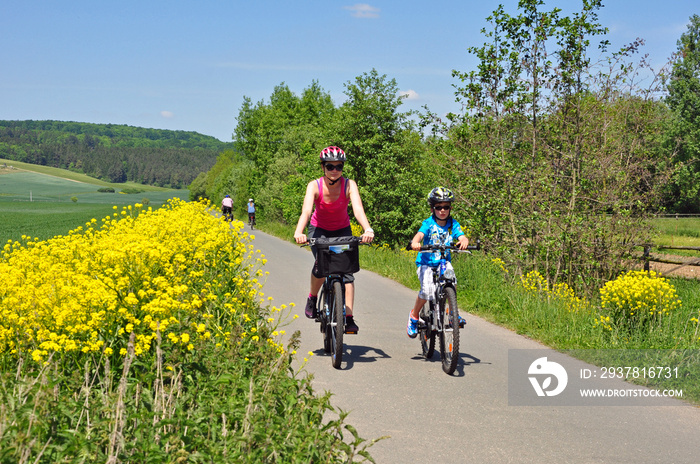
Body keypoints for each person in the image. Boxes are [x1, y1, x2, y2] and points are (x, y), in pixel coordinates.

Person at [294, 146, 374, 334]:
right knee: (321, 268)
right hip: (318, 230)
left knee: (347, 274)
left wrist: (367, 228)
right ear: (323, 167)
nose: (335, 170)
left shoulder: (349, 185)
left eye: (339, 166)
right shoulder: (314, 185)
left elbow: (358, 209)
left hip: (342, 229)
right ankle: (313, 298)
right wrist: (299, 231)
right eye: (330, 166)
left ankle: (349, 316)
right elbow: (306, 211)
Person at [406, 187, 469, 338]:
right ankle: (414, 317)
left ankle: (453, 314)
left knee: (451, 282)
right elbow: (419, 235)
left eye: (446, 207)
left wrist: (464, 241)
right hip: (426, 263)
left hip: (443, 261)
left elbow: (461, 236)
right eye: (438, 207)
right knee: (427, 291)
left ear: (450, 208)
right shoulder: (428, 223)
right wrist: (415, 243)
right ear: (432, 208)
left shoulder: (453, 224)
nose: (442, 210)